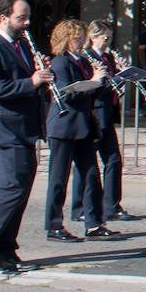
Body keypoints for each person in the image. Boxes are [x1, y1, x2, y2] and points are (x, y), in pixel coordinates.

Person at [0, 0, 54, 274]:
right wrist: (31, 81)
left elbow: (27, 85)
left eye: (28, 17)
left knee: (21, 190)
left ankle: (6, 247)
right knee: (12, 186)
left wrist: (42, 75)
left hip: (24, 130)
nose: (27, 23)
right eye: (21, 18)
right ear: (3, 18)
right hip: (1, 130)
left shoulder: (20, 47)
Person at [44, 19, 119, 243]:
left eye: (82, 37)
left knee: (91, 176)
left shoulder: (84, 62)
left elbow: (94, 93)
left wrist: (106, 81)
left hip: (84, 127)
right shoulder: (60, 63)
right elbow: (68, 94)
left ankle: (94, 223)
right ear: (66, 40)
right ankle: (54, 225)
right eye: (77, 38)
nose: (81, 41)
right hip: (64, 127)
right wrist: (94, 82)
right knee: (59, 178)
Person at [71, 20, 134, 223]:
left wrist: (123, 75)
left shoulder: (107, 57)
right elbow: (92, 86)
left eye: (110, 37)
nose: (108, 41)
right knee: (87, 163)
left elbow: (111, 82)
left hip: (107, 113)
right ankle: (79, 207)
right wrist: (110, 81)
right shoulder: (88, 57)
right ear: (93, 37)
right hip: (95, 113)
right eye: (104, 37)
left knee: (114, 160)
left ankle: (112, 205)